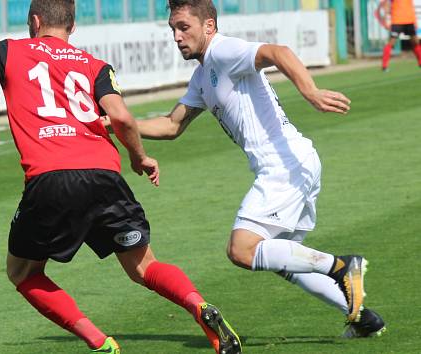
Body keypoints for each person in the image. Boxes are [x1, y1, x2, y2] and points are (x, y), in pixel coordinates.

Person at [0, 1, 241, 353]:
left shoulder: (8, 51)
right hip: (104, 175)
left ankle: (101, 342)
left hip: (51, 177)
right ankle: (198, 305)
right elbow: (124, 119)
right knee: (145, 266)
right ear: (72, 26)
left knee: (22, 272)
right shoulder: (95, 65)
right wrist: (139, 157)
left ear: (34, 22)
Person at [129, 0, 385, 339]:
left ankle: (342, 266)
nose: (176, 36)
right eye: (173, 29)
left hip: (282, 166)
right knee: (282, 260)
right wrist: (120, 123)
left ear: (209, 26)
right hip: (297, 161)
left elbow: (278, 52)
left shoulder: (222, 50)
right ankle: (363, 318)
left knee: (242, 249)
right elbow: (171, 125)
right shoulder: (202, 76)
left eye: (183, 27)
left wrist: (310, 91)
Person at [376, 0, 421, 71]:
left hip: (409, 20)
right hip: (397, 21)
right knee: (391, 42)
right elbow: (387, 4)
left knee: (415, 42)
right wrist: (385, 19)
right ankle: (384, 66)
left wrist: (415, 21)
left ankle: (420, 61)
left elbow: (410, 6)